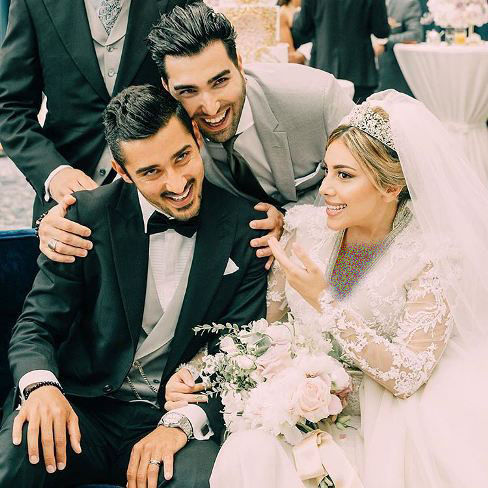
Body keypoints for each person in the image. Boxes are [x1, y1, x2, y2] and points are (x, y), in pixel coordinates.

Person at [171, 91, 488, 487]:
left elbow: (408, 375)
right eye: (327, 171)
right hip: (294, 408)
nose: (324, 189)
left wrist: (326, 302)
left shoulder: (432, 256)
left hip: (384, 422)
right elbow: (261, 327)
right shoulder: (306, 230)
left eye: (344, 175)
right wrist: (197, 368)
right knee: (248, 451)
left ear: (391, 187)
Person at [0, 85, 268, 487]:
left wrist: (183, 421)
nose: (177, 183)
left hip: (173, 415)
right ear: (122, 172)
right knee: (18, 458)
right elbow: (36, 325)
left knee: (202, 481)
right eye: (151, 172)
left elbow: (242, 347)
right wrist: (41, 388)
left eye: (182, 157)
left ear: (197, 138)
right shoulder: (84, 218)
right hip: (82, 406)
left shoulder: (246, 228)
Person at [36, 2, 354, 267]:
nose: (210, 107)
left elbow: (379, 179)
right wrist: (55, 223)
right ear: (166, 87)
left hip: (345, 247)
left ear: (240, 63)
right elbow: (132, 186)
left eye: (220, 81)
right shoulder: (174, 137)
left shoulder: (316, 98)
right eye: (188, 91)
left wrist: (292, 220)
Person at [0, 0, 193, 222]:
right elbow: (11, 107)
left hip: (164, 198)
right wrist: (53, 173)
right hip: (69, 210)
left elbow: (200, 84)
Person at [291, 0, 390, 103]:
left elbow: (302, 28)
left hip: (323, 67)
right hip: (360, 71)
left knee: (322, 112)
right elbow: (381, 31)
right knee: (358, 111)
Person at [374, 0, 423, 96]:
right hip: (361, 74)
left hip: (390, 75)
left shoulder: (407, 3)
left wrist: (385, 42)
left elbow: (416, 34)